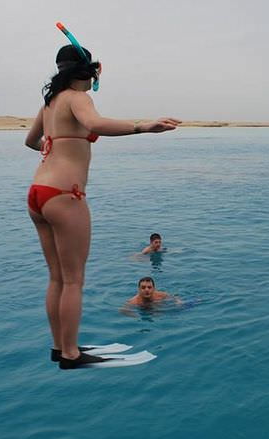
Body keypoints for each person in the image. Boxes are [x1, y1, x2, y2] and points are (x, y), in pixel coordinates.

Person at [25, 43, 181, 369]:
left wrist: (57, 152)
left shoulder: (50, 103)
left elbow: (31, 141)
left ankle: (60, 347)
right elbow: (95, 124)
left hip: (38, 192)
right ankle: (70, 354)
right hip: (65, 195)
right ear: (89, 70)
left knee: (56, 278)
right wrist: (143, 127)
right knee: (72, 281)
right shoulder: (77, 98)